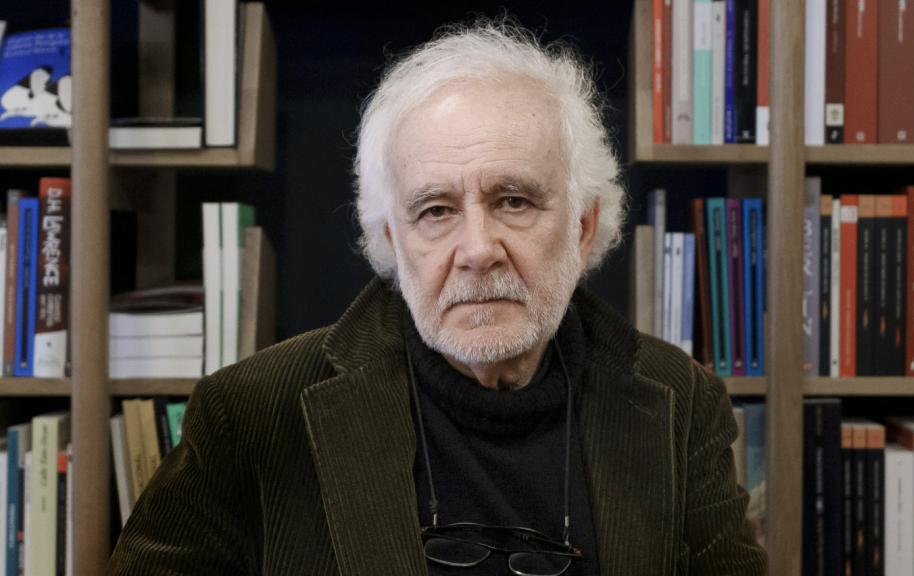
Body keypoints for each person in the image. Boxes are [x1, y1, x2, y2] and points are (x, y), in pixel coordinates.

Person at [108, 20, 767, 576]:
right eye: (436, 210)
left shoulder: (680, 400)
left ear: (584, 225)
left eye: (514, 201)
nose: (478, 249)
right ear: (390, 240)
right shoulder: (250, 415)